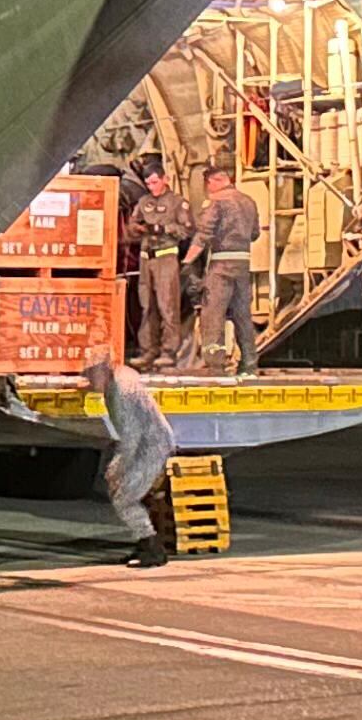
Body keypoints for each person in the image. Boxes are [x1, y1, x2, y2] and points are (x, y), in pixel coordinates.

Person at [83, 353, 176, 567]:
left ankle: (152, 547)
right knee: (124, 493)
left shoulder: (119, 391)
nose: (89, 380)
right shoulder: (122, 376)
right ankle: (145, 542)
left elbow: (131, 436)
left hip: (151, 446)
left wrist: (118, 466)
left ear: (103, 369)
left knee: (124, 498)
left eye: (91, 374)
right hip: (151, 441)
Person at [187, 164, 264, 373]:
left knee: (213, 315)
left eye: (208, 184)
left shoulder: (216, 202)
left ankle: (215, 364)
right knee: (242, 316)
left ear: (213, 181)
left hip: (221, 265)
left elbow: (204, 235)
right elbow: (255, 234)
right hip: (243, 264)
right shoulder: (249, 201)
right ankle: (249, 363)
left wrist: (187, 262)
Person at [127, 162, 191, 365]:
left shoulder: (177, 202)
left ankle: (168, 352)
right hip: (147, 258)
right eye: (148, 183)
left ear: (165, 179)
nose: (151, 187)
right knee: (147, 306)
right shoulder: (144, 201)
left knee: (168, 305)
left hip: (166, 258)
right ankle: (148, 350)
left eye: (155, 182)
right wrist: (139, 228)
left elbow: (187, 230)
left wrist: (163, 228)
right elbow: (131, 225)